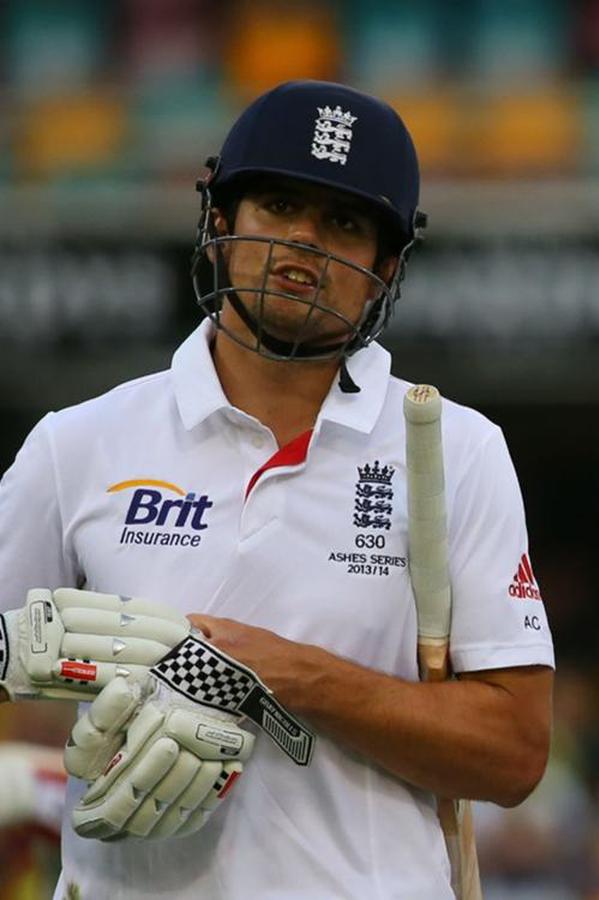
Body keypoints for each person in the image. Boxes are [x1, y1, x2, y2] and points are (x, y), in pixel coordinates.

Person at [0, 79, 554, 898]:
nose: (304, 243)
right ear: (220, 222)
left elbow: (512, 756)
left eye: (344, 223)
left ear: (386, 266)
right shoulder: (78, 444)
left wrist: (278, 675)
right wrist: (31, 781)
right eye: (279, 205)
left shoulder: (452, 450)